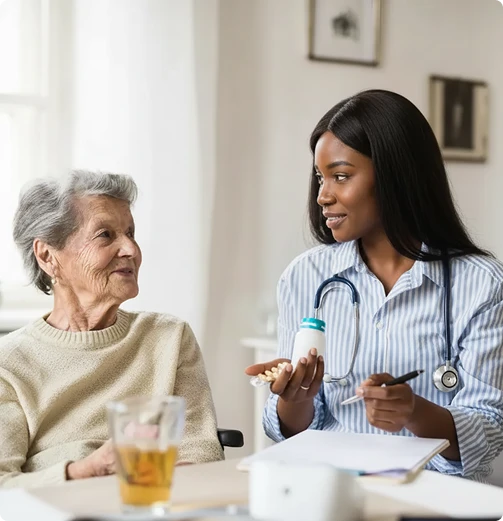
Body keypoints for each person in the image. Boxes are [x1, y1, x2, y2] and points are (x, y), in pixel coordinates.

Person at [245, 90, 503, 482]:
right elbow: (292, 430)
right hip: (328, 489)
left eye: (341, 176)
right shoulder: (305, 277)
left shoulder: (481, 284)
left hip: (431, 496)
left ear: (396, 175)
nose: (322, 196)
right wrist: (294, 398)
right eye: (320, 176)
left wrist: (415, 411)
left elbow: (488, 428)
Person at [0, 170, 224, 488]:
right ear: (48, 256)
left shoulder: (169, 338)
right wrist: (79, 471)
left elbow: (200, 456)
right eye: (106, 234)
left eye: (130, 232)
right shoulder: (9, 363)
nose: (131, 249)